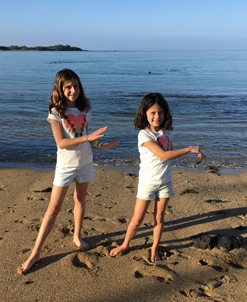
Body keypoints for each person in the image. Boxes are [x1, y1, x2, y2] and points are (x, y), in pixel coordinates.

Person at [18, 69, 119, 275]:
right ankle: (36, 252)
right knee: (53, 209)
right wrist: (88, 139)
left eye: (76, 86)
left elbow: (85, 135)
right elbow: (62, 142)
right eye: (68, 87)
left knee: (80, 200)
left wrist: (101, 146)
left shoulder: (85, 107)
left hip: (85, 162)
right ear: (61, 89)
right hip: (65, 166)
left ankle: (77, 236)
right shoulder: (56, 112)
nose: (73, 90)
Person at [110, 93, 205, 262]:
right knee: (137, 218)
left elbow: (170, 153)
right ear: (145, 113)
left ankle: (154, 248)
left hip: (165, 181)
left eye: (160, 112)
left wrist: (194, 151)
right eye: (152, 112)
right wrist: (189, 149)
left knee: (159, 217)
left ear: (165, 113)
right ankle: (125, 244)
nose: (157, 116)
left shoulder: (168, 132)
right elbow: (164, 155)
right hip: (147, 183)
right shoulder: (144, 135)